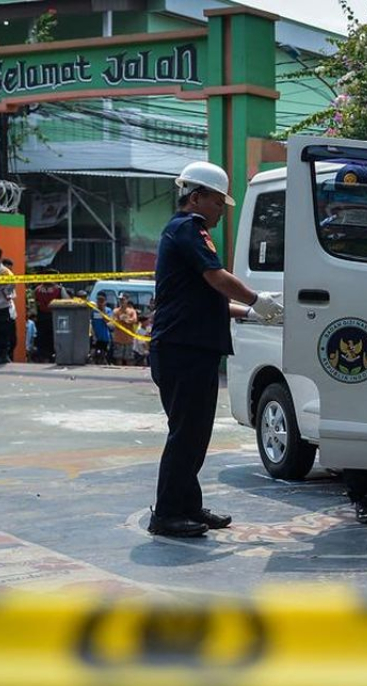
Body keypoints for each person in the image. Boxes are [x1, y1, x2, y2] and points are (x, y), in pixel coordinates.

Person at [146, 160, 282, 538]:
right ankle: (167, 514)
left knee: (194, 434)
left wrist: (252, 312)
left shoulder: (183, 232)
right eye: (219, 202)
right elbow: (216, 278)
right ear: (197, 197)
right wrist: (256, 299)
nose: (222, 210)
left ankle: (187, 505)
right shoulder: (189, 228)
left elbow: (208, 299)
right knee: (186, 434)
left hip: (189, 349)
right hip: (183, 350)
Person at [33, 273, 64, 362]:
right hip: (54, 316)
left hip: (41, 317)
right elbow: (66, 301)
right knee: (54, 337)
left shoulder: (37, 289)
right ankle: (52, 356)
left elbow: (34, 303)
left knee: (42, 338)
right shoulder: (59, 289)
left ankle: (43, 356)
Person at [111, 293, 139, 367]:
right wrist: (120, 319)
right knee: (118, 358)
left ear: (127, 300)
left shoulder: (132, 311)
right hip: (118, 339)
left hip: (129, 339)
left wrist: (126, 320)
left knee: (129, 358)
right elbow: (113, 321)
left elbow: (134, 320)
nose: (121, 301)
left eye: (123, 299)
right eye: (120, 300)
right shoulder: (116, 311)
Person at [90, 291, 113, 365]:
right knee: (94, 354)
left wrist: (103, 310)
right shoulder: (93, 310)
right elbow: (91, 322)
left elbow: (107, 321)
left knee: (103, 355)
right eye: (98, 300)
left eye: (102, 300)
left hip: (104, 337)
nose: (100, 302)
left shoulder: (108, 310)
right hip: (95, 337)